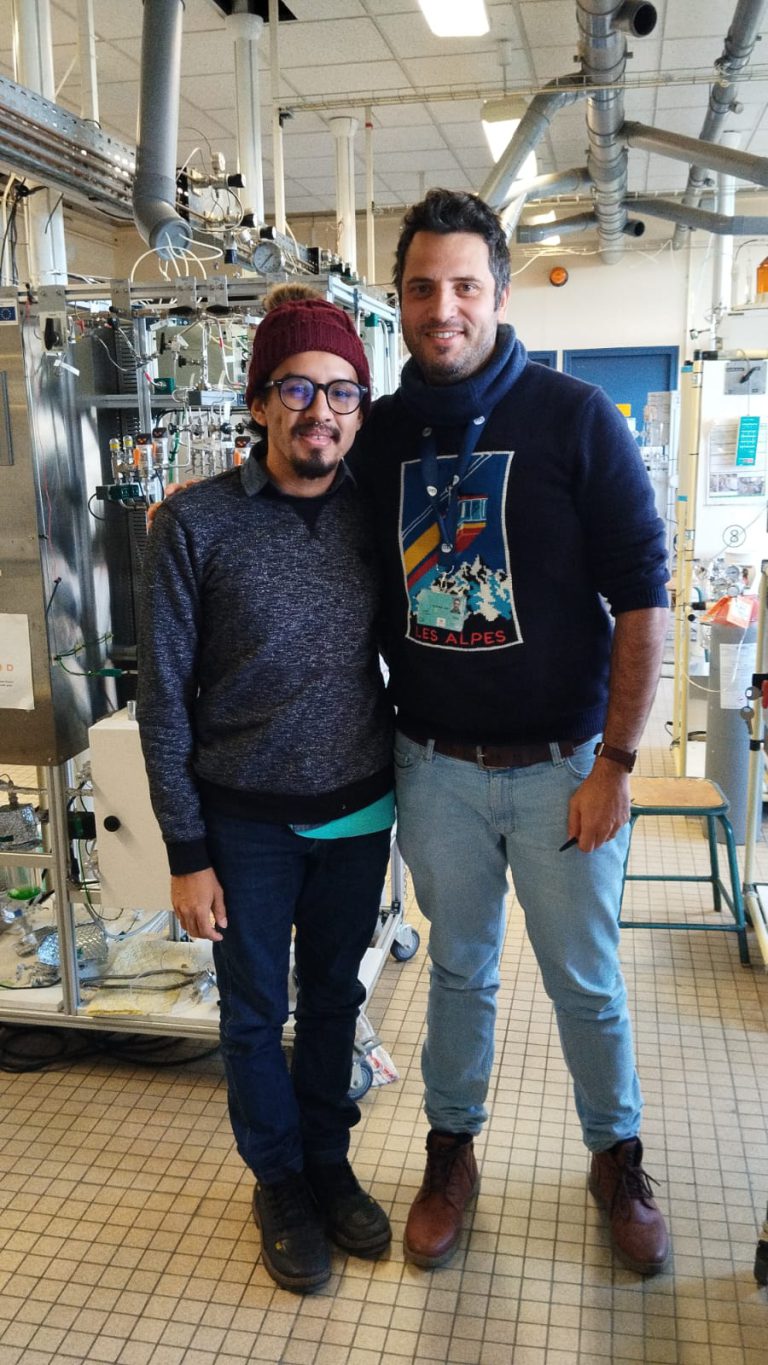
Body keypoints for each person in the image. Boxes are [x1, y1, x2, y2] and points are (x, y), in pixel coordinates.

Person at [350, 188, 670, 1276]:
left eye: (464, 286)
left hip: (565, 769)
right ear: (400, 299)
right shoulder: (381, 435)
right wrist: (209, 500)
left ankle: (617, 1158)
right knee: (457, 972)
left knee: (586, 980)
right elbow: (303, 504)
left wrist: (616, 762)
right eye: (422, 288)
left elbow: (643, 597)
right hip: (434, 766)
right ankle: (451, 1154)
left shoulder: (574, 418)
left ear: (500, 291)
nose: (443, 308)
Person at [136, 297, 395, 1294]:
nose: (319, 411)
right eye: (297, 388)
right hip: (243, 822)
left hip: (359, 810)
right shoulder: (194, 523)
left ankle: (328, 1163)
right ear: (258, 402)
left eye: (341, 392)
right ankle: (279, 1183)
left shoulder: (378, 513)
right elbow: (164, 697)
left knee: (334, 998)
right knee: (252, 1014)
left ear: (359, 408)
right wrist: (185, 852)